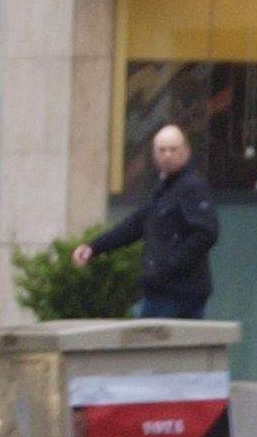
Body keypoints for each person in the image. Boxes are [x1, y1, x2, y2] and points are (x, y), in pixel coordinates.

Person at [91, 121, 221, 319]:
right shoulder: (163, 189)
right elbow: (136, 224)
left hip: (178, 293)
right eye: (162, 150)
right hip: (163, 290)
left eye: (173, 149)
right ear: (154, 154)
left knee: (148, 346)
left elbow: (205, 233)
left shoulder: (192, 187)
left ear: (186, 151)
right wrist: (95, 247)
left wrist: (167, 267)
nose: (167, 155)